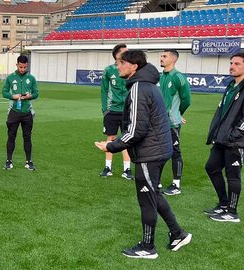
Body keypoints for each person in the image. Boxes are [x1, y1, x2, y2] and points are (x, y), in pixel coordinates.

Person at [95, 50, 191, 259]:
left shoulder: (139, 87)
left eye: (122, 63)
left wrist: (111, 146)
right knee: (154, 194)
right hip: (156, 149)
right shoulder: (146, 84)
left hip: (151, 152)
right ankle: (178, 233)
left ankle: (148, 247)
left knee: (147, 198)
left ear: (134, 66)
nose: (118, 66)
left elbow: (137, 129)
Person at [204, 52, 244, 223]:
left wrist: (233, 135)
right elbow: (221, 112)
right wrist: (217, 133)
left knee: (233, 175)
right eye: (231, 63)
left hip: (237, 141)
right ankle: (224, 204)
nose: (232, 66)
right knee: (212, 167)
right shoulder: (231, 85)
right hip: (222, 139)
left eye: (237, 63)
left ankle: (232, 212)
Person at [159, 49, 191, 195]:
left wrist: (177, 114)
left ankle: (176, 184)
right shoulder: (161, 77)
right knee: (157, 151)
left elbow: (186, 100)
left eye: (164, 56)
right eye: (161, 56)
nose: (161, 58)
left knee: (175, 152)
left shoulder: (179, 77)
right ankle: (156, 181)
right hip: (158, 122)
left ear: (173, 59)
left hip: (172, 123)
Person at [99, 44, 133, 179]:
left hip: (127, 111)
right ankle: (108, 167)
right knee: (111, 138)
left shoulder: (130, 69)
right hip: (112, 110)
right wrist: (105, 109)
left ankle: (127, 169)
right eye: (125, 52)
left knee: (126, 139)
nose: (128, 54)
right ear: (117, 55)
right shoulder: (109, 70)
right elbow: (104, 90)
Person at [2, 55, 39, 170]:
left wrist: (30, 96)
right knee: (11, 136)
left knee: (27, 137)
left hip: (27, 112)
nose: (22, 69)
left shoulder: (31, 78)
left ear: (27, 65)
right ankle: (8, 161)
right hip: (14, 112)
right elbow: (4, 92)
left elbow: (36, 93)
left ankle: (29, 161)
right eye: (20, 67)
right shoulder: (10, 78)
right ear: (17, 64)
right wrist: (13, 96)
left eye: (24, 67)